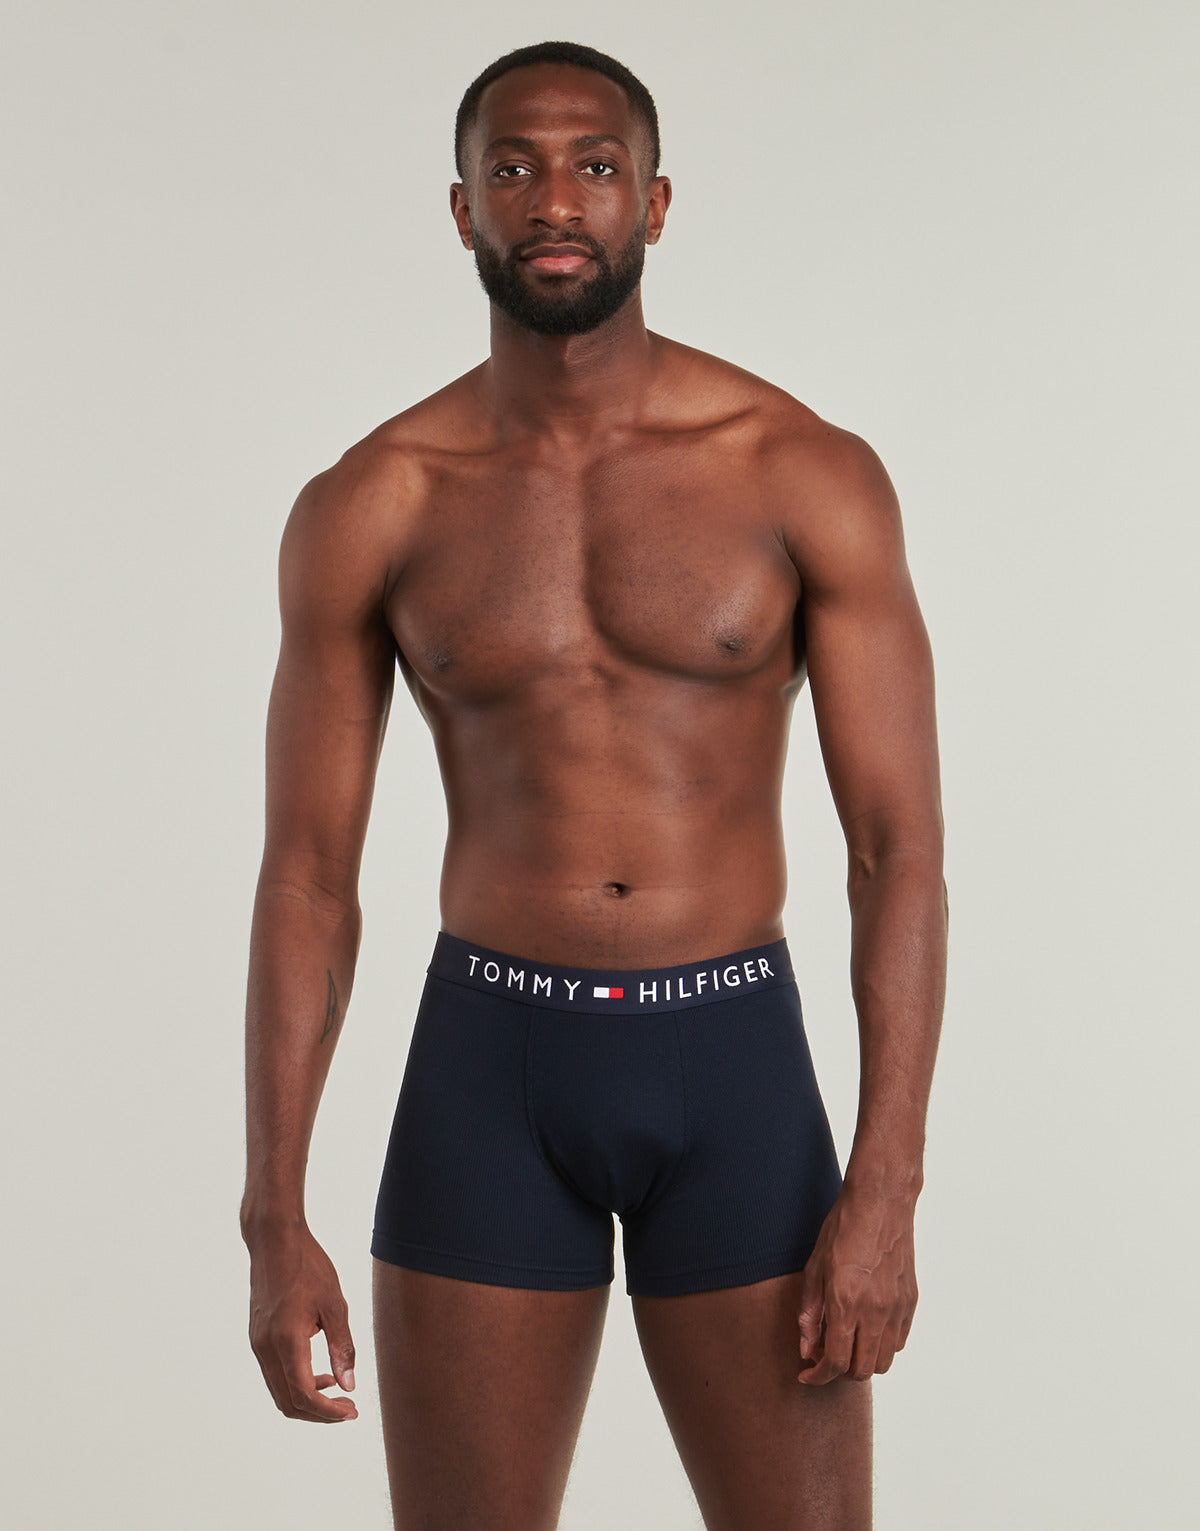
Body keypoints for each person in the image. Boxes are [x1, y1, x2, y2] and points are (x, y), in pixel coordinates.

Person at [240, 37, 947, 1531]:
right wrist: (271, 1215)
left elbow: (898, 852)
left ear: (656, 202)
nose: (555, 200)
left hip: (732, 1065)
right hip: (489, 1066)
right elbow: (307, 876)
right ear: (463, 210)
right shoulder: (375, 501)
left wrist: (887, 1187)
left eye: (596, 166)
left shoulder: (800, 473)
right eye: (513, 169)